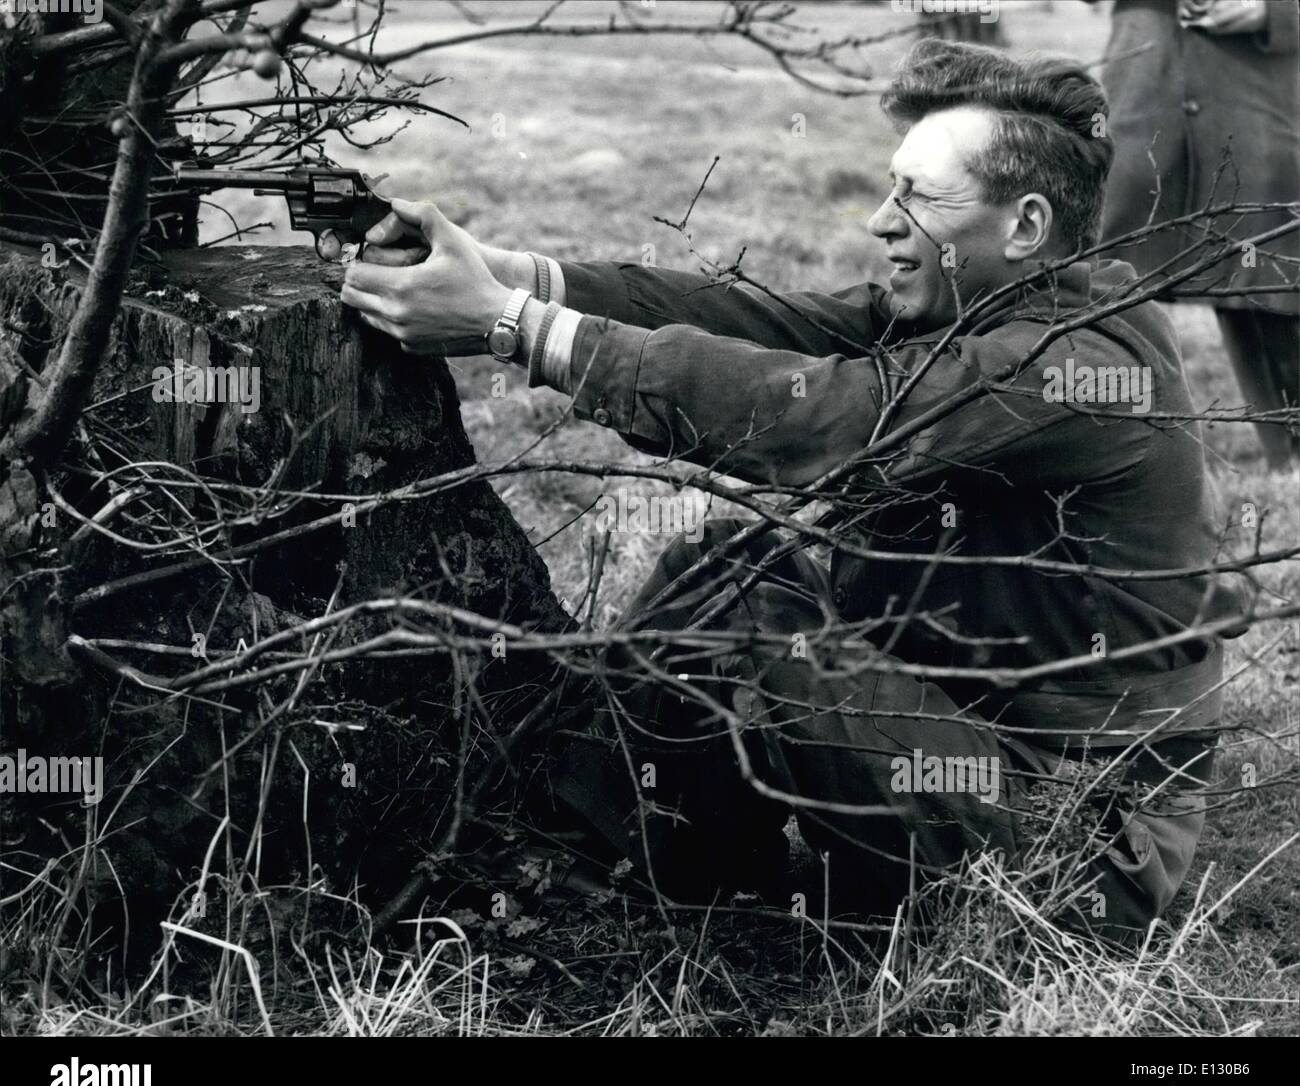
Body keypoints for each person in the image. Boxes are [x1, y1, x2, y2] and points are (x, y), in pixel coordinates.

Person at [322, 39, 1247, 937]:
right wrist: (517, 278)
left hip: (1075, 845)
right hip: (979, 742)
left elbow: (827, 419)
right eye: (891, 187)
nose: (882, 219)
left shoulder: (1071, 366)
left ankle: (605, 865)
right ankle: (625, 856)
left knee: (755, 622)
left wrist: (515, 329)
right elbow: (768, 322)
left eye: (918, 196)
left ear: (1027, 225)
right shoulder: (999, 306)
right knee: (721, 568)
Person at [1096, 0, 1300, 467]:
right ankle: (1108, 442)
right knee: (1110, 276)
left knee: (1267, 269)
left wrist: (1274, 12)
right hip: (1145, 83)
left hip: (1253, 86)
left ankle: (1290, 448)